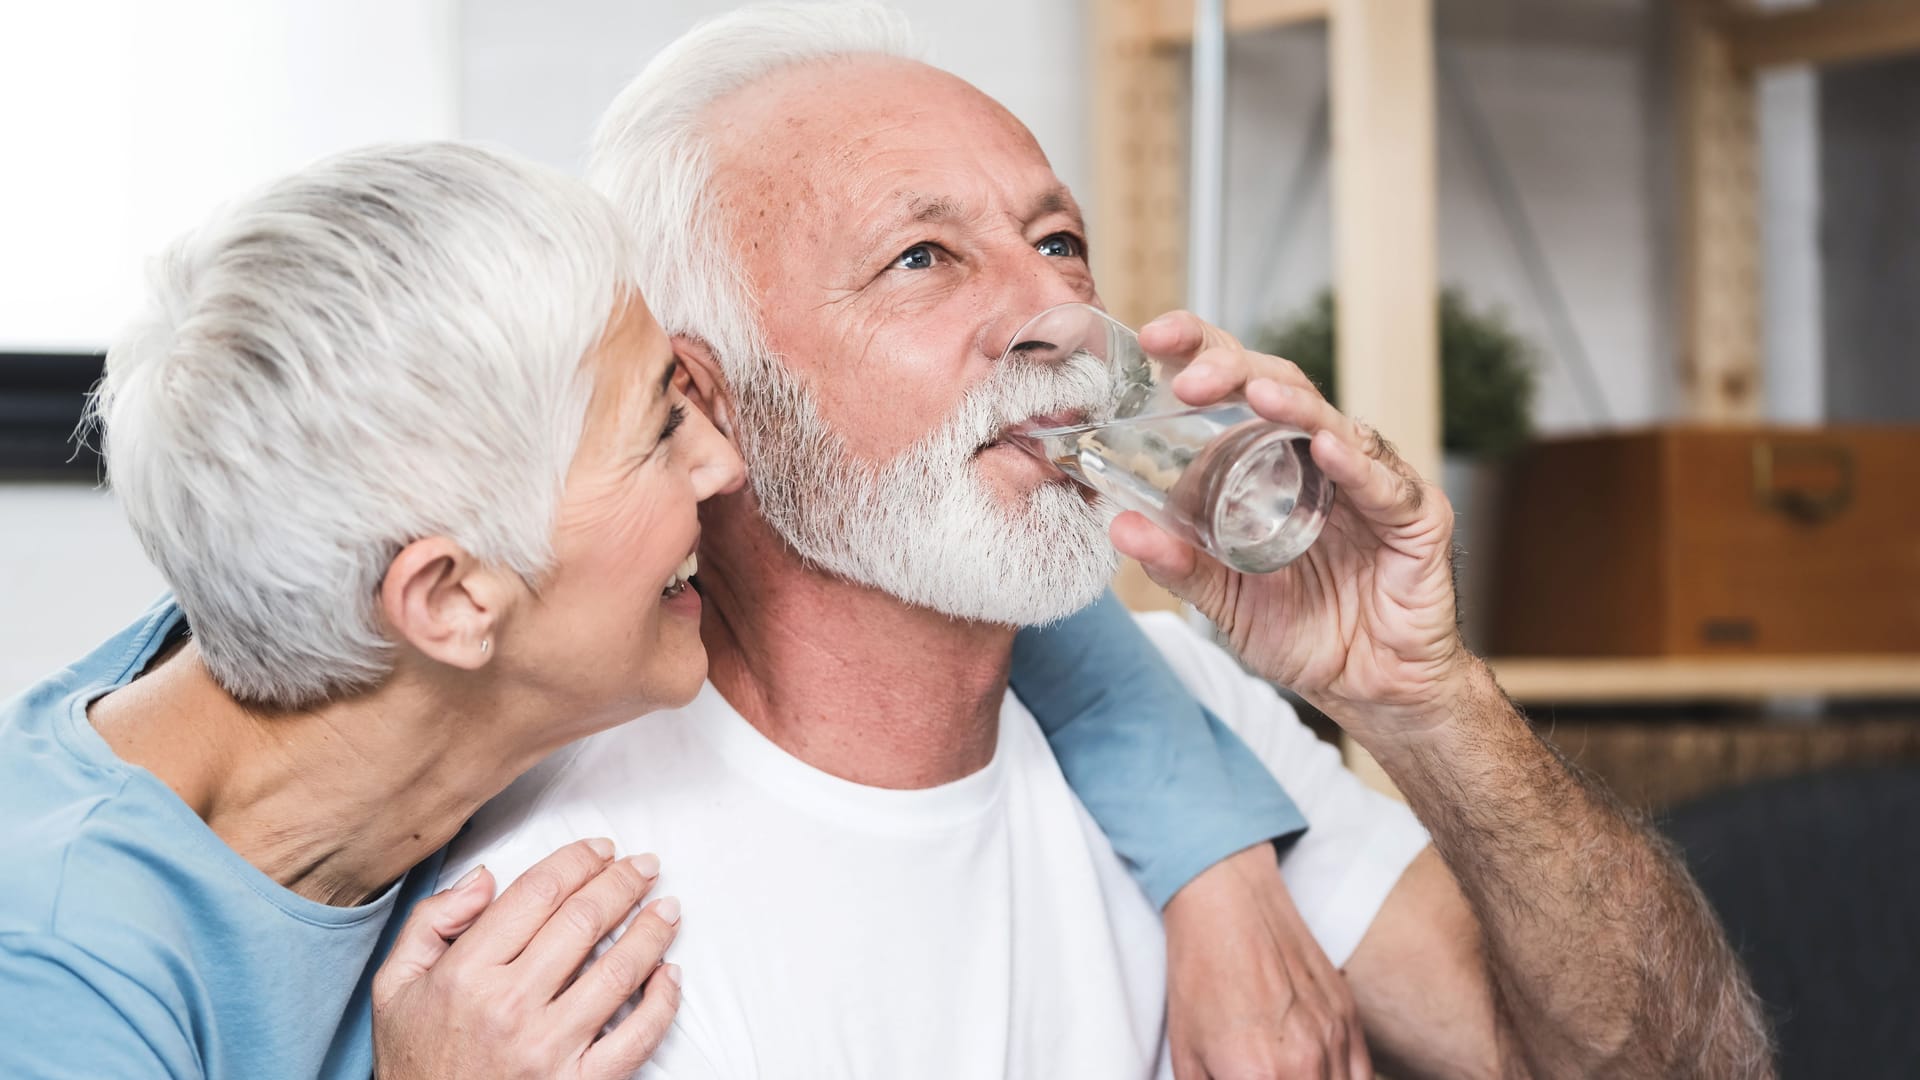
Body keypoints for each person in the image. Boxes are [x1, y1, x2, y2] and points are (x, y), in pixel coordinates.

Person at [447, 4, 1774, 1078]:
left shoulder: (1191, 719)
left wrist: (1426, 700)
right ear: (716, 399)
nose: (1055, 316)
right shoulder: (571, 927)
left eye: (1058, 239)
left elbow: (1677, 1071)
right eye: (922, 257)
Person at [0, 140, 1321, 1078]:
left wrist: (1213, 870)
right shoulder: (56, 977)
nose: (723, 466)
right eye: (659, 431)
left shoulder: (332, 650)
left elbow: (958, 569)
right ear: (454, 598)